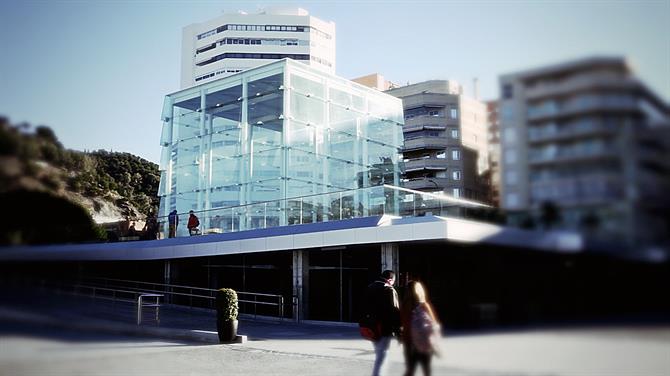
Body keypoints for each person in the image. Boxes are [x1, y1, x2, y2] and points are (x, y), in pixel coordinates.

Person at [400, 281, 440, 376]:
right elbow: (434, 323)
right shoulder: (424, 305)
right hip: (423, 340)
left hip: (408, 339)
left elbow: (401, 321)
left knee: (410, 369)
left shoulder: (405, 304)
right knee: (426, 369)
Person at [366, 270, 401, 376]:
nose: (393, 284)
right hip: (385, 328)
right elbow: (395, 311)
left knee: (379, 354)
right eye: (394, 281)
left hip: (370, 327)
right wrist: (399, 331)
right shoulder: (389, 290)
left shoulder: (370, 287)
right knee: (382, 356)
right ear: (390, 280)